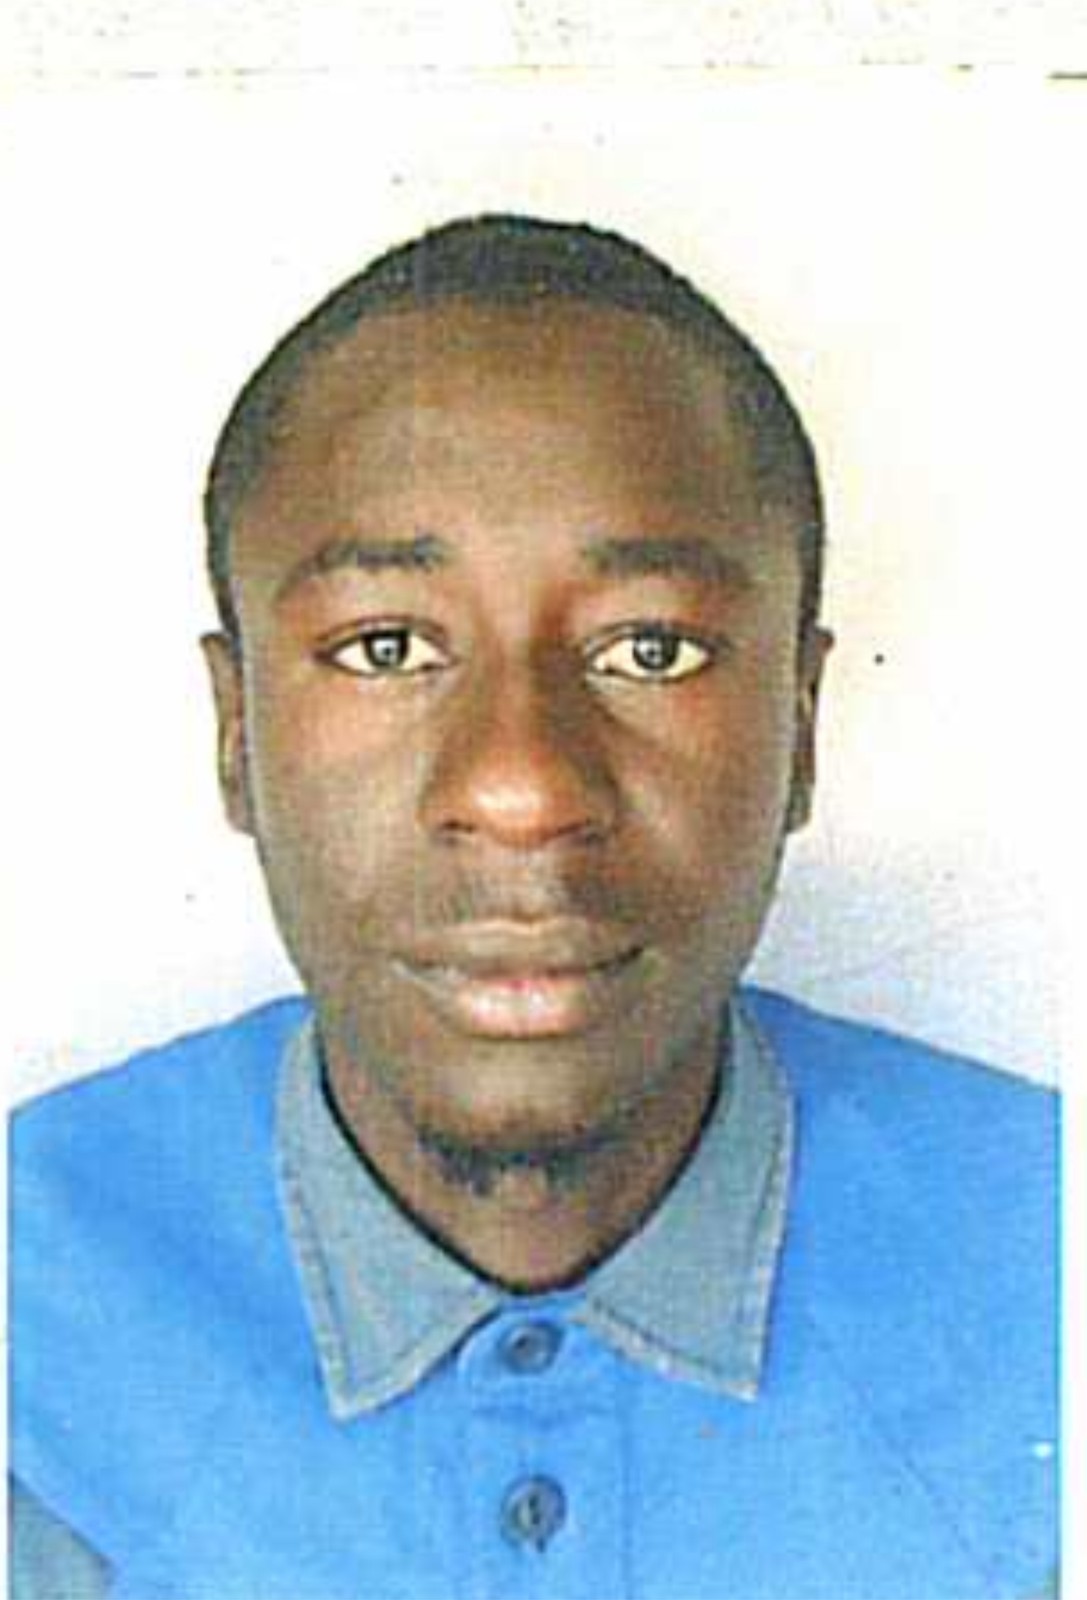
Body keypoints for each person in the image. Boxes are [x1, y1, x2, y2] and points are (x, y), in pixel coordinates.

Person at [10, 214, 1057, 1600]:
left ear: (801, 726)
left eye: (651, 649)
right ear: (236, 731)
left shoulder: (1046, 1268)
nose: (521, 788)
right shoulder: (36, 1313)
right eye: (385, 647)